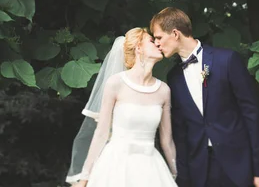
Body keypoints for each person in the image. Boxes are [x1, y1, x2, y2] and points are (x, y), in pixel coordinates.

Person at [151, 7, 259, 187]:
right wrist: (183, 179)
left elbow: (252, 116)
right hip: (199, 171)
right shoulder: (174, 77)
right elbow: (181, 132)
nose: (156, 43)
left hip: (239, 165)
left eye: (159, 37)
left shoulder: (227, 60)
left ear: (175, 33)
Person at [68, 28, 178, 187]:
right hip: (116, 166)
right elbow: (101, 133)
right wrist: (84, 179)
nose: (158, 44)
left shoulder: (163, 90)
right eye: (151, 41)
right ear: (139, 48)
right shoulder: (115, 83)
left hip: (150, 167)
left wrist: (174, 174)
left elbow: (167, 140)